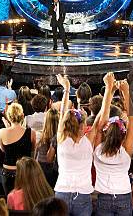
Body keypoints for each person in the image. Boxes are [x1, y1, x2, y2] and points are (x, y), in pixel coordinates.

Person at [53, 73, 104, 216]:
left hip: (62, 193)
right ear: (82, 126)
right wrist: (109, 92)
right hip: (82, 195)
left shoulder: (62, 139)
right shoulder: (88, 140)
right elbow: (100, 117)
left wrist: (67, 89)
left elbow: (63, 113)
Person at [93, 75, 133, 216]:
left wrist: (109, 91)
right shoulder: (125, 151)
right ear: (123, 135)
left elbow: (100, 123)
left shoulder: (98, 150)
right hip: (123, 197)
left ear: (106, 132)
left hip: (103, 197)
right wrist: (126, 92)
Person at [0, 102, 36, 194]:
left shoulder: (2, 132)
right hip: (24, 170)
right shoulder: (31, 132)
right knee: (26, 199)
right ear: (22, 115)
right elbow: (32, 149)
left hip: (8, 170)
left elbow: (3, 149)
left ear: (8, 116)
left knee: (10, 201)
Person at [35, 108, 59, 186]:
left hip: (41, 168)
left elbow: (35, 154)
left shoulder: (40, 136)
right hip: (56, 169)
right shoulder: (61, 138)